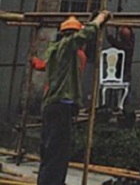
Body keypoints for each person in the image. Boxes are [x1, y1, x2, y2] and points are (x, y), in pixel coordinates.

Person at [36, 10, 111, 185]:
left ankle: (48, 182)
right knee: (58, 151)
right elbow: (84, 35)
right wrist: (100, 19)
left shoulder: (56, 50)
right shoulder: (67, 47)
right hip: (61, 106)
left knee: (50, 149)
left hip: (52, 106)